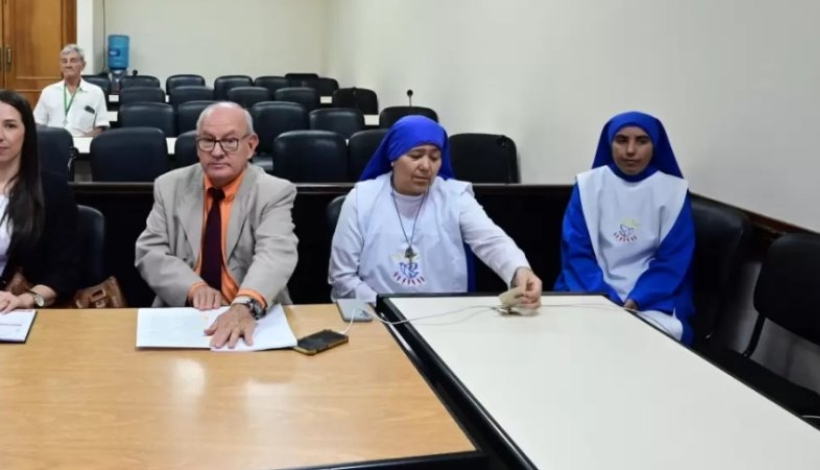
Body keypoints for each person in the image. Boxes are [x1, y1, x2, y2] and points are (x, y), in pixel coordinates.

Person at [329, 115, 542, 308]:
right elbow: (342, 276)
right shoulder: (362, 199)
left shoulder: (455, 196)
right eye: (416, 155)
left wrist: (519, 270)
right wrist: (385, 307)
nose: (426, 166)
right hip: (377, 314)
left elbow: (492, 241)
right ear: (393, 157)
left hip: (445, 314)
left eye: (434, 157)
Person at [135, 102, 298, 349]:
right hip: (185, 316)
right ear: (197, 145)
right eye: (207, 141)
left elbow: (275, 254)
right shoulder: (169, 186)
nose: (217, 151)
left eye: (230, 141)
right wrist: (193, 287)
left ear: (251, 145)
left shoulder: (274, 191)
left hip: (255, 318)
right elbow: (150, 252)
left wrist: (244, 305)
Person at [554, 111, 695, 343]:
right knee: (574, 332)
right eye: (621, 140)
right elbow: (576, 252)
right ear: (609, 143)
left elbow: (674, 259)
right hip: (591, 287)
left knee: (658, 337)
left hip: (653, 294)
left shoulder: (674, 192)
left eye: (642, 141)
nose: (630, 150)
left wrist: (638, 298)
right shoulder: (588, 186)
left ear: (655, 145)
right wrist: (604, 296)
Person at [0, 90, 79, 311]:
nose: (0, 135)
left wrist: (26, 299)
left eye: (10, 126)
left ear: (26, 132)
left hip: (21, 308)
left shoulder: (52, 190)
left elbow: (66, 271)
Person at [33, 44, 109, 137]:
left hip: (83, 142)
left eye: (73, 61)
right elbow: (38, 123)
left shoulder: (96, 92)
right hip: (54, 142)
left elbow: (102, 126)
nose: (68, 65)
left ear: (83, 65)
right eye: (64, 61)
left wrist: (83, 140)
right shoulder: (48, 92)